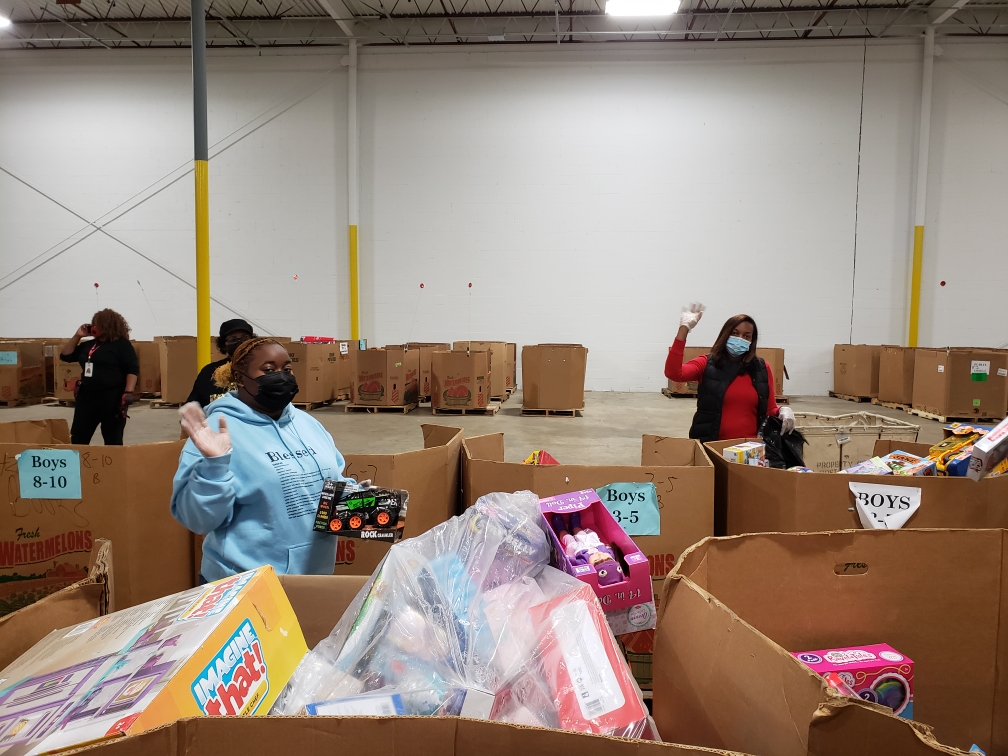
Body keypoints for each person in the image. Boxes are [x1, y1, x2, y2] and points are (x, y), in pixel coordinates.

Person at [171, 337, 351, 582]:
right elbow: (197, 521)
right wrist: (214, 467)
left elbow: (332, 489)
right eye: (268, 370)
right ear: (240, 378)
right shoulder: (216, 432)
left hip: (314, 581)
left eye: (287, 369)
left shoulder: (309, 425)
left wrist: (376, 510)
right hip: (242, 585)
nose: (281, 376)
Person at [665, 302, 795, 442]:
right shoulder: (707, 364)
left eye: (746, 336)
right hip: (712, 446)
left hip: (750, 450)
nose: (740, 339)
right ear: (725, 335)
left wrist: (783, 411)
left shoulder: (762, 368)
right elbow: (673, 373)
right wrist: (684, 329)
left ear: (752, 340)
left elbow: (769, 410)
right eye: (735, 333)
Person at [60, 309, 139, 445]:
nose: (94, 327)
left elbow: (132, 368)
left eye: (98, 324)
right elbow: (65, 356)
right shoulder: (89, 345)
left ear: (108, 325)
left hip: (112, 398)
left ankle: (112, 465)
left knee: (112, 438)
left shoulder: (122, 345)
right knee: (78, 437)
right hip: (87, 398)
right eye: (93, 324)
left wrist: (128, 392)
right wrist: (77, 336)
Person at [186, 319, 255, 408]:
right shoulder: (209, 372)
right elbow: (193, 405)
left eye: (245, 338)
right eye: (233, 339)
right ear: (223, 345)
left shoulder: (261, 370)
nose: (240, 343)